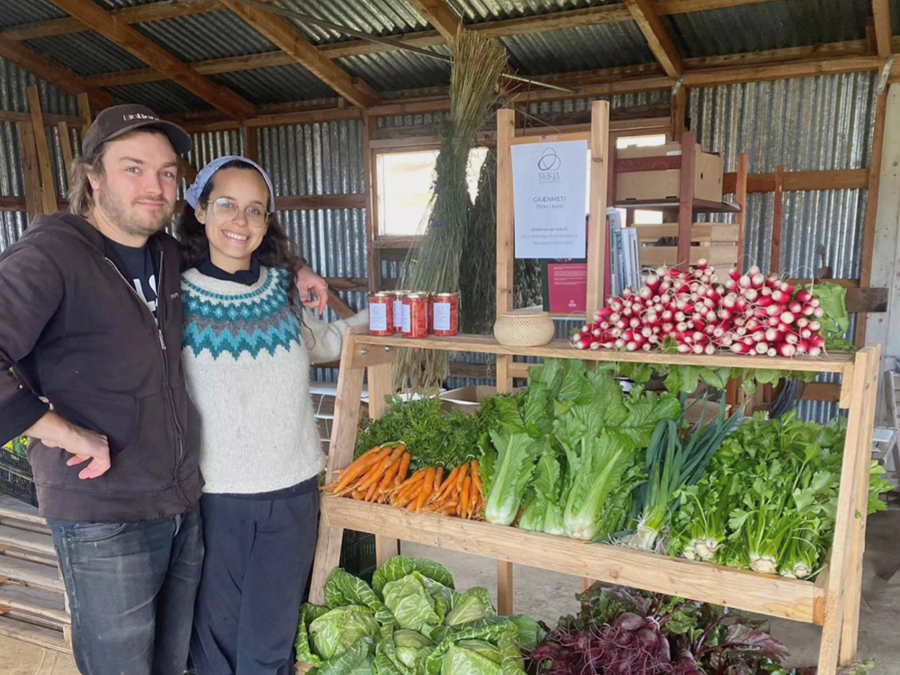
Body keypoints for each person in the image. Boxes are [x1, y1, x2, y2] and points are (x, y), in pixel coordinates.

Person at [0, 105, 330, 675]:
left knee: (177, 662)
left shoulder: (164, 257)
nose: (154, 186)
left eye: (167, 173)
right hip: (104, 511)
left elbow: (241, 245)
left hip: (178, 502)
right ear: (93, 175)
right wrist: (60, 430)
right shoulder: (53, 254)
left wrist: (296, 267)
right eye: (133, 168)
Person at [176, 156, 366, 675]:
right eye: (227, 205)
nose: (241, 221)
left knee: (270, 642)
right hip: (215, 497)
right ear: (199, 210)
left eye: (255, 210)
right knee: (213, 646)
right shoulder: (175, 295)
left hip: (292, 493)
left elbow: (324, 342)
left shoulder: (281, 289)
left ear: (267, 223)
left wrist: (389, 315)